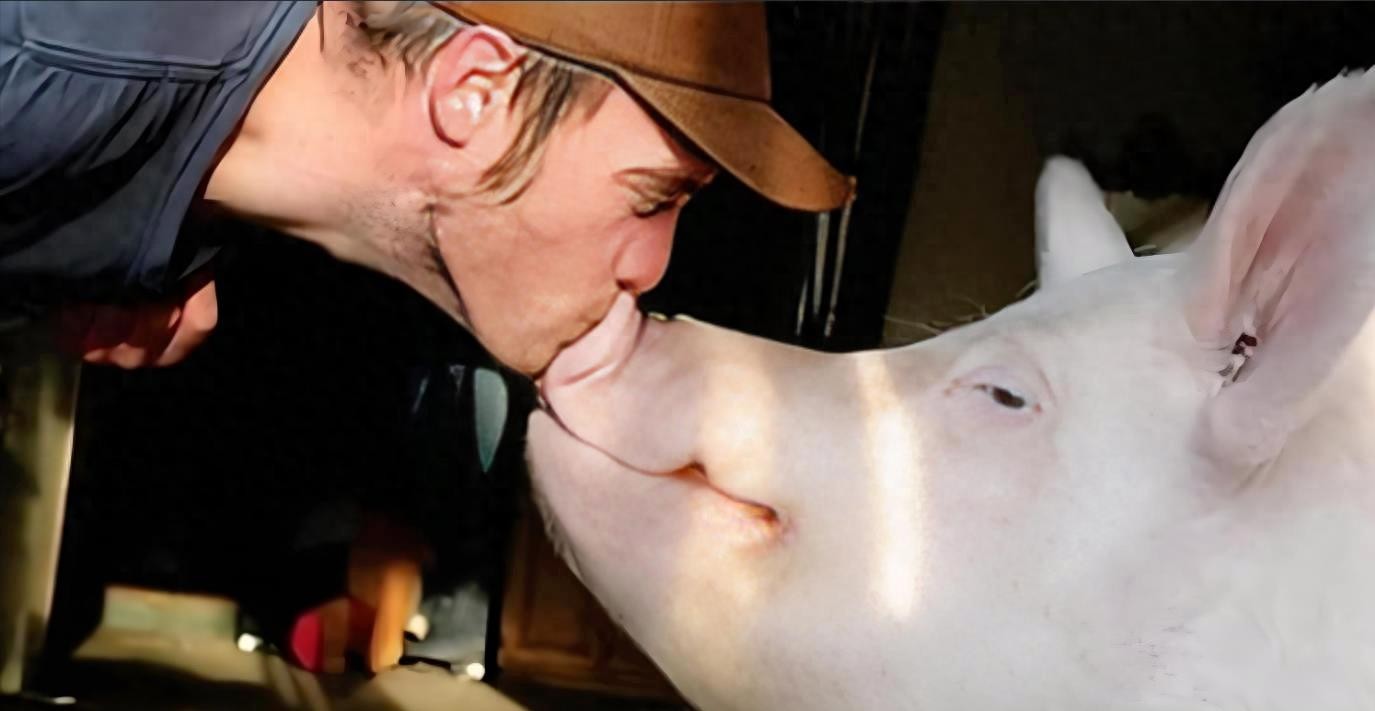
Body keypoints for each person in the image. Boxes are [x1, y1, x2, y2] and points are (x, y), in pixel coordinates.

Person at [0, 1, 852, 375]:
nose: (649, 268)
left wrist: (148, 245)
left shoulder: (196, 184)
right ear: (474, 91)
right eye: (652, 195)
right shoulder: (42, 70)